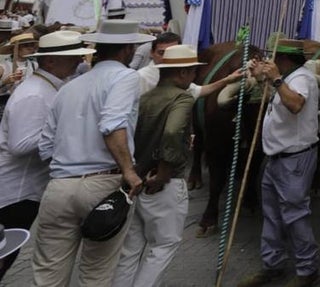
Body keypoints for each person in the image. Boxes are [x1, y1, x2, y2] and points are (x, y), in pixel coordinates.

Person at [31, 18, 154, 286]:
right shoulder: (125, 77)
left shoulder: (68, 87)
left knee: (48, 276)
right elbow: (111, 125)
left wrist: (69, 164)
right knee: (95, 274)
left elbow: (46, 147)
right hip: (103, 183)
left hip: (60, 186)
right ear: (128, 49)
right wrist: (129, 171)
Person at [0, 31, 91, 281]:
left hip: (23, 190)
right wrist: (63, 131)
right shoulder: (35, 93)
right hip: (15, 193)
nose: (78, 61)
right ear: (50, 61)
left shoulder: (47, 88)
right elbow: (20, 145)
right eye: (71, 57)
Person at [113, 44, 201, 287]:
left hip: (138, 181)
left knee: (130, 250)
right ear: (183, 72)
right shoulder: (182, 97)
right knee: (164, 245)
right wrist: (164, 172)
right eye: (193, 71)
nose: (195, 76)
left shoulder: (145, 98)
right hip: (163, 183)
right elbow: (172, 132)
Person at [238, 38, 320, 287]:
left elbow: (295, 104)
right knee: (271, 214)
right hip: (276, 158)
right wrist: (260, 77)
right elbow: (275, 93)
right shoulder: (287, 77)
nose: (270, 61)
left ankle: (307, 270)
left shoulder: (302, 78)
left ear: (284, 59)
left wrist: (275, 79)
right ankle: (273, 265)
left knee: (295, 215)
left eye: (273, 57)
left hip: (294, 160)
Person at [0, 31, 38, 120]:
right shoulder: (3, 66)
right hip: (6, 104)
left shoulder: (34, 65)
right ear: (15, 48)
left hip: (27, 105)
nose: (30, 48)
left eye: (32, 45)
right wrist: (5, 82)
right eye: (26, 45)